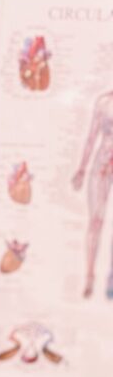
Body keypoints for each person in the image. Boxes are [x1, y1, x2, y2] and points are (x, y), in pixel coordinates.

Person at [71, 89, 113, 298]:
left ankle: (111, 280)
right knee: (96, 220)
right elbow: (92, 137)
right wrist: (82, 168)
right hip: (101, 164)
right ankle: (89, 275)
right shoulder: (104, 102)